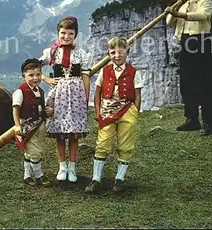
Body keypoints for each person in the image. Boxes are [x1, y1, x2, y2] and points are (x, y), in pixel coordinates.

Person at [84, 37, 143, 194]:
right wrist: (97, 111)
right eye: (113, 52)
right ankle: (96, 179)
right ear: (108, 54)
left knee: (125, 144)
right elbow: (97, 92)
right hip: (107, 111)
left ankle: (120, 179)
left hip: (127, 110)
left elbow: (137, 94)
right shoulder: (104, 71)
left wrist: (135, 111)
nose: (117, 55)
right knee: (102, 143)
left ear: (127, 52)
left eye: (120, 52)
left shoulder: (133, 72)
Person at [38, 16, 91, 183]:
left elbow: (86, 78)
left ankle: (72, 168)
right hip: (58, 95)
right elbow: (34, 67)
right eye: (63, 33)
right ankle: (62, 167)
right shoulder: (52, 52)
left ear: (75, 34)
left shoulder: (81, 54)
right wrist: (45, 79)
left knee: (74, 134)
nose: (66, 36)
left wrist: (85, 99)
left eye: (70, 33)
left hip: (76, 96)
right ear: (58, 33)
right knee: (60, 133)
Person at [165, 0, 212, 136]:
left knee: (204, 82)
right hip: (185, 42)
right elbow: (169, 21)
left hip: (201, 41)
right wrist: (176, 5)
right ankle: (192, 120)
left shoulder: (205, 2)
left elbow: (202, 16)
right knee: (187, 82)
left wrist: (179, 14)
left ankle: (208, 122)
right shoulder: (182, 4)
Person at [12, 58, 53, 187]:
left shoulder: (40, 91)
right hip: (26, 126)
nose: (35, 78)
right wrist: (18, 125)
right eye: (31, 75)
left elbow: (40, 107)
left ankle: (27, 176)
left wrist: (47, 111)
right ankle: (39, 175)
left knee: (34, 151)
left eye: (38, 75)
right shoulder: (20, 92)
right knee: (34, 152)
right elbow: (16, 109)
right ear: (24, 76)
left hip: (39, 125)